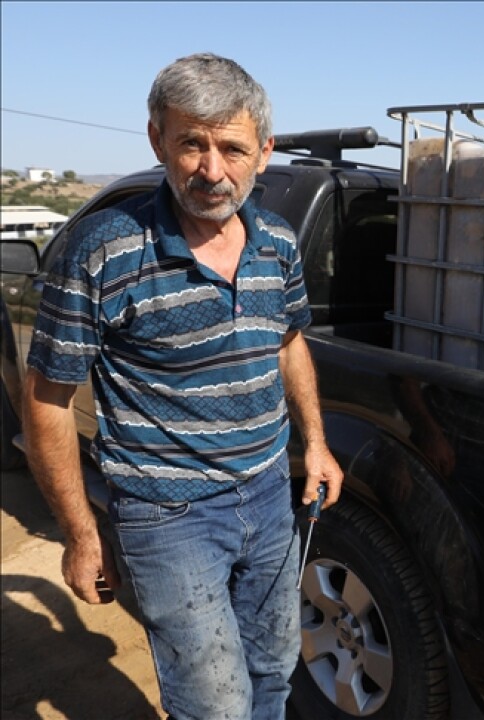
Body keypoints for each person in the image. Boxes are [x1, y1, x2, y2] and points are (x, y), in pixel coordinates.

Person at [22, 53, 342, 720]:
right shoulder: (104, 250)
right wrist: (82, 535)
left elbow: (288, 342)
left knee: (275, 674)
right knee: (215, 705)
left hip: (267, 496)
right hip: (168, 518)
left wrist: (316, 442)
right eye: (191, 143)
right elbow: (47, 400)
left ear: (264, 151)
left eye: (231, 147)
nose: (211, 169)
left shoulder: (277, 243)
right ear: (157, 140)